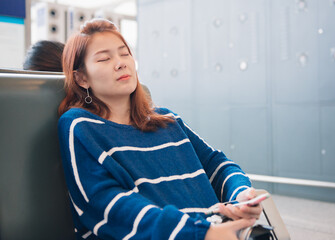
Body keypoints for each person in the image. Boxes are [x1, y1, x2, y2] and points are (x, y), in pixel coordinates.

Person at [57, 19, 261, 240]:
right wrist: (197, 233)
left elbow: (217, 164)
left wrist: (240, 193)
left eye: (125, 54)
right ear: (81, 78)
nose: (120, 63)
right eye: (105, 58)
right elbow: (106, 204)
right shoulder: (79, 125)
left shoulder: (167, 120)